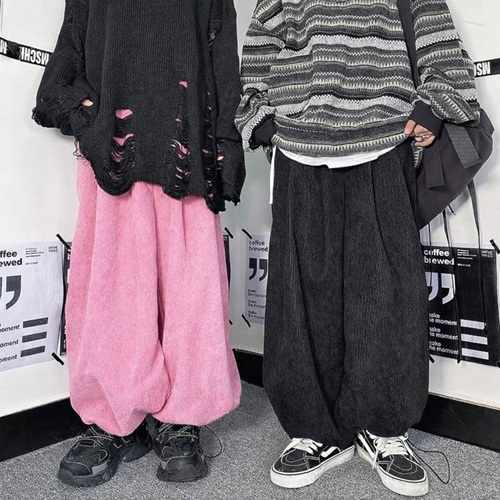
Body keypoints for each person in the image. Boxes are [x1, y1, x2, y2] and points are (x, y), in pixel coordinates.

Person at [235, 0, 479, 496]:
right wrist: (259, 118)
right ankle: (314, 430)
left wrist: (432, 105)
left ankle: (383, 429)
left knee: (387, 292)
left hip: (384, 137)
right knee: (303, 295)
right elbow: (261, 39)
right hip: (300, 144)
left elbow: (433, 27)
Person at [32, 0, 245, 487]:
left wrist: (224, 143)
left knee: (189, 288)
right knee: (113, 287)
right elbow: (74, 41)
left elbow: (221, 54)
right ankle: (113, 420)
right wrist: (88, 114)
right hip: (116, 141)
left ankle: (182, 419)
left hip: (185, 140)